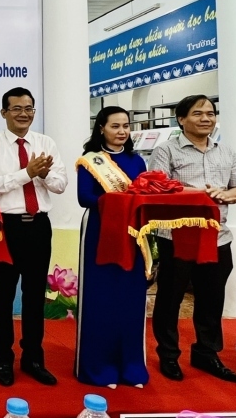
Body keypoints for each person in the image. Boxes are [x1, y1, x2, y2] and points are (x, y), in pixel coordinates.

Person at [149, 94, 236, 383]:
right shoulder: (166, 150)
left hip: (217, 236)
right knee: (171, 298)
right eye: (198, 113)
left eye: (210, 113)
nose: (206, 118)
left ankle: (207, 353)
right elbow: (158, 188)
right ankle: (168, 354)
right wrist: (202, 193)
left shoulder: (225, 151)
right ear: (181, 119)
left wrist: (227, 195)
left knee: (212, 298)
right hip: (177, 235)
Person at [0, 86, 66, 387]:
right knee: (3, 297)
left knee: (34, 296)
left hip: (39, 227)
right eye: (16, 108)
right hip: (6, 228)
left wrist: (43, 174)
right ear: (4, 112)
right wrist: (27, 172)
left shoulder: (45, 143)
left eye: (29, 108)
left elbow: (60, 184)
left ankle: (33, 358)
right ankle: (3, 359)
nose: (23, 114)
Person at [74, 106, 149, 389]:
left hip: (132, 232)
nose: (122, 131)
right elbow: (84, 197)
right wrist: (119, 202)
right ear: (101, 128)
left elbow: (144, 194)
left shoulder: (137, 161)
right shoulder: (90, 160)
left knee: (130, 298)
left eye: (125, 126)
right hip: (99, 229)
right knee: (101, 299)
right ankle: (99, 367)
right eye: (115, 126)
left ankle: (131, 367)